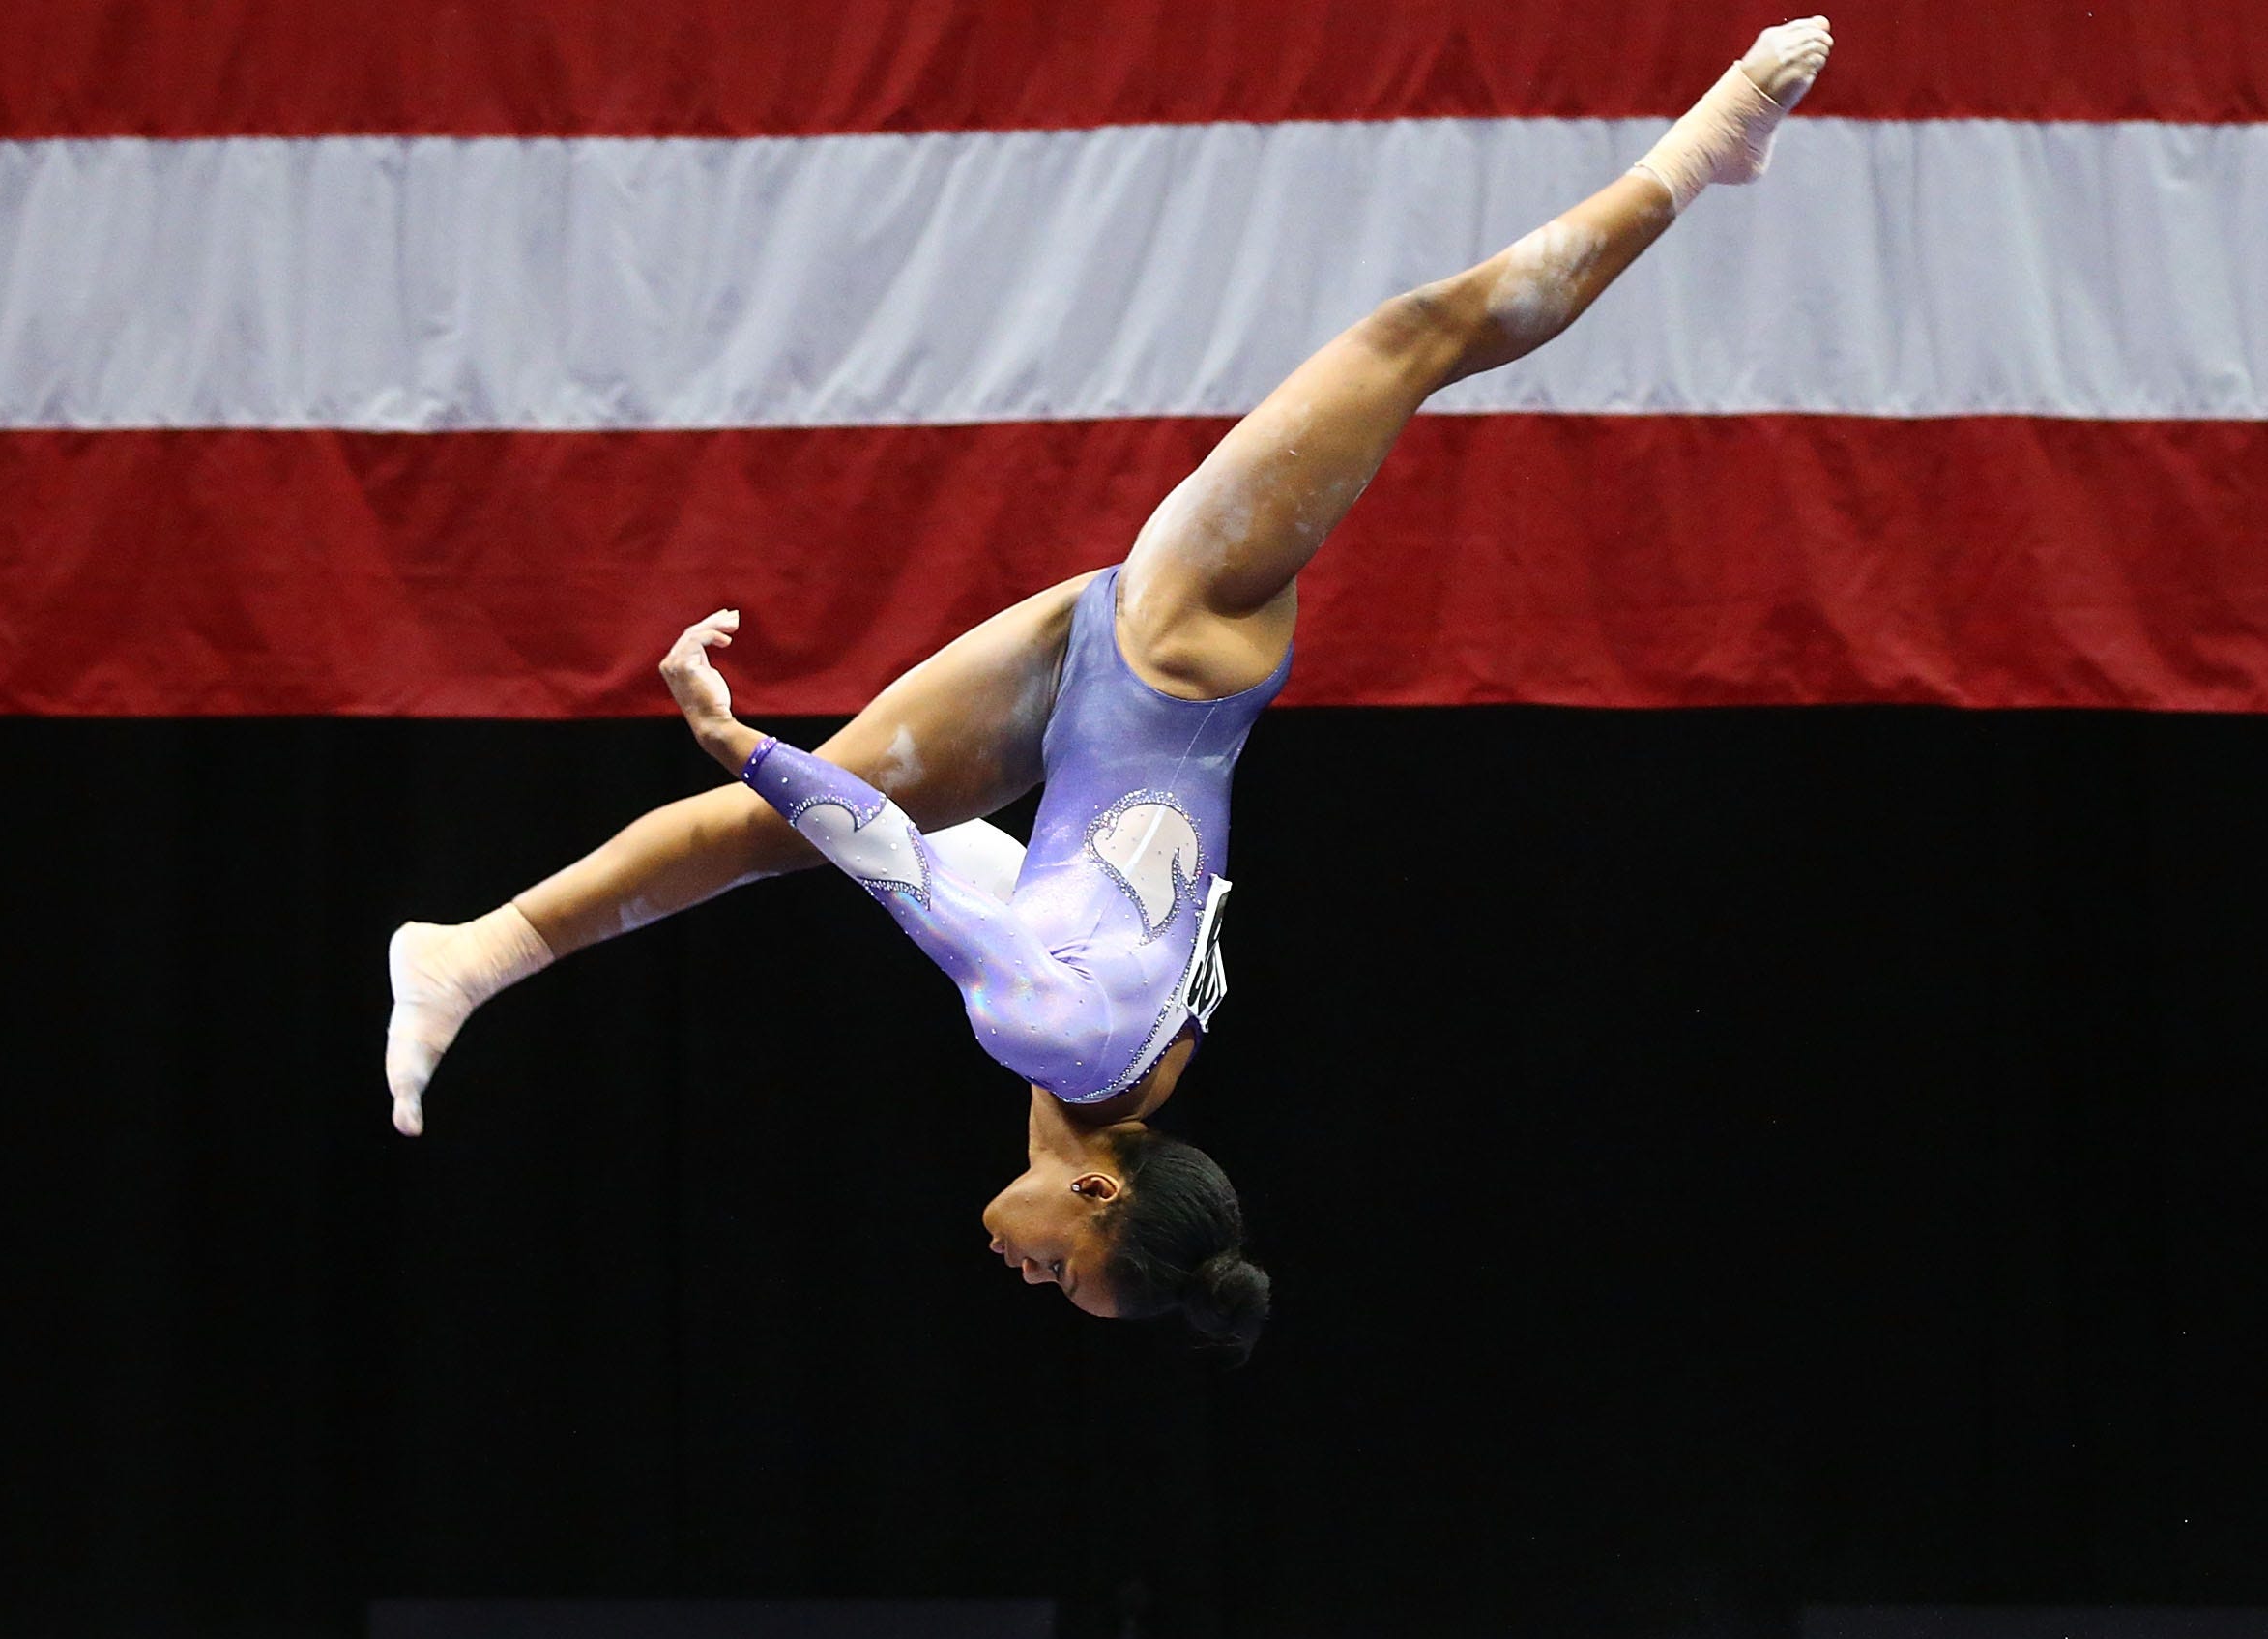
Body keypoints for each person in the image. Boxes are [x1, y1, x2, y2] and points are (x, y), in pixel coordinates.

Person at [384, 18, 1837, 1358]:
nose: (1029, 1279)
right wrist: (740, 741)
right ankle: (1707, 146)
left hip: (1087, 691)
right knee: (1421, 336)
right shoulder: (1055, 1040)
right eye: (1066, 1273)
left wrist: (802, 795)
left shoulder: (1126, 1083)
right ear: (1095, 1195)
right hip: (1171, 643)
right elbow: (890, 861)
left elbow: (974, 860)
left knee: (770, 850)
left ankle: (476, 954)